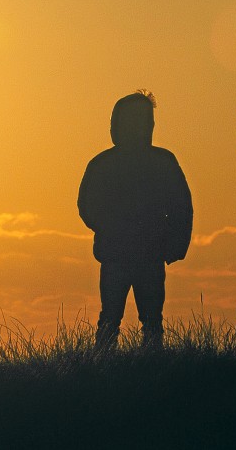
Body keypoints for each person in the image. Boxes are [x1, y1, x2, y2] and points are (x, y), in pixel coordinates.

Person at [78, 91, 192, 350]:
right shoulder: (103, 164)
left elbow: (180, 206)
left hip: (147, 254)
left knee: (150, 320)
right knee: (112, 317)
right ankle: (103, 365)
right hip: (117, 254)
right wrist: (110, 228)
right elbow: (87, 205)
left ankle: (145, 365)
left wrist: (177, 243)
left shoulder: (162, 162)